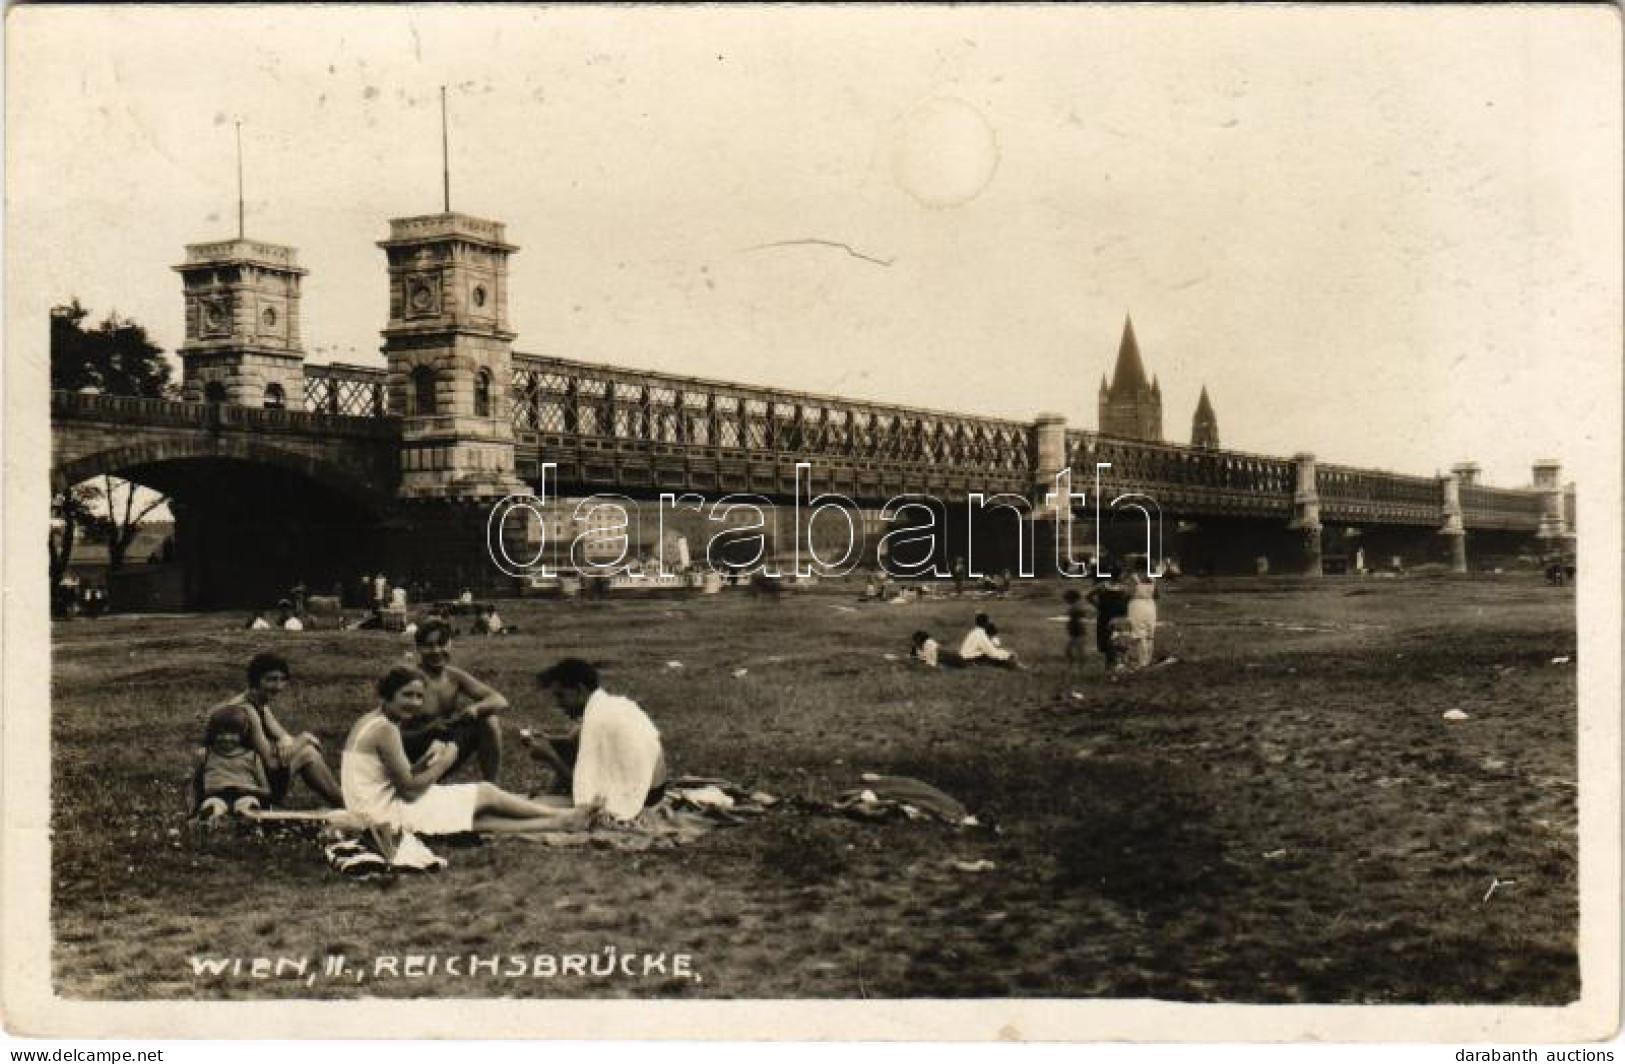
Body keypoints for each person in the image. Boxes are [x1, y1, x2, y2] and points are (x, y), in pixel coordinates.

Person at [342, 666, 593, 836]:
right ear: (388, 695)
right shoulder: (385, 729)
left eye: (419, 697)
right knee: (485, 793)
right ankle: (563, 815)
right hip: (383, 815)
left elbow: (396, 778)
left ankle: (560, 821)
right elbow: (409, 791)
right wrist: (444, 762)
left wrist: (425, 763)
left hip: (369, 811)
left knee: (473, 820)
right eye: (407, 695)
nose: (415, 703)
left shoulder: (370, 720)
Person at [522, 658, 667, 820]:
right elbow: (575, 742)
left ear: (579, 690)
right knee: (572, 748)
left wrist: (550, 756)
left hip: (645, 795)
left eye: (561, 696)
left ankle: (547, 798)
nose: (558, 704)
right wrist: (550, 740)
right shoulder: (607, 704)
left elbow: (590, 793)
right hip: (653, 787)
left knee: (572, 761)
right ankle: (549, 795)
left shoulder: (598, 719)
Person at [198, 651, 343, 807]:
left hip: (247, 777)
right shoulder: (247, 709)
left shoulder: (256, 701)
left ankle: (343, 803)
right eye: (271, 680)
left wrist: (286, 743)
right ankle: (344, 804)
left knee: (303, 750)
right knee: (307, 753)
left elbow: (282, 735)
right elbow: (272, 763)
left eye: (282, 680)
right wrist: (305, 738)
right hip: (244, 787)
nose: (278, 686)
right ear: (256, 680)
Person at [397, 618, 508, 782]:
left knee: (489, 720)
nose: (436, 651)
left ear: (450, 645)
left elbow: (500, 700)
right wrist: (428, 730)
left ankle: (491, 787)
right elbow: (388, 734)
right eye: (428, 645)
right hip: (410, 757)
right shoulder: (408, 678)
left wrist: (476, 709)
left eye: (442, 644)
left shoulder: (453, 676)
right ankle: (418, 782)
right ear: (418, 648)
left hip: (443, 751)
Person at [192, 705, 272, 821]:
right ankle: (210, 818)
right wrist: (194, 807)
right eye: (221, 733)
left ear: (243, 733)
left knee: (247, 805)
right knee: (213, 805)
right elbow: (195, 784)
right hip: (215, 795)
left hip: (245, 794)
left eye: (233, 733)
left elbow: (266, 790)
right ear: (213, 733)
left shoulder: (252, 756)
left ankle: (249, 820)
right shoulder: (206, 754)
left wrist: (248, 789)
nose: (226, 738)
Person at [1086, 576, 1130, 670]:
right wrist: (1124, 609)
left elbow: (1088, 596)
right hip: (1117, 615)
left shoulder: (1102, 586)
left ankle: (1111, 663)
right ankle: (1115, 663)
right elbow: (1128, 599)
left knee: (1107, 639)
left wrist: (1097, 605)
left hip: (1105, 614)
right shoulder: (1123, 587)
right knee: (1116, 638)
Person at [1124, 568, 1161, 668]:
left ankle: (1142, 662)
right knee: (1150, 634)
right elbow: (1157, 595)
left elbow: (1128, 594)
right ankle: (1147, 660)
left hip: (1137, 605)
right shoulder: (1153, 578)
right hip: (1150, 606)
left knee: (1139, 634)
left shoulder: (1134, 578)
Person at [1063, 588, 1090, 692]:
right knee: (1068, 651)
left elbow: (1082, 614)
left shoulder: (1077, 607)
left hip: (1079, 633)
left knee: (1079, 651)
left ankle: (1081, 669)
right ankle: (1072, 666)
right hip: (1074, 633)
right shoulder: (1075, 606)